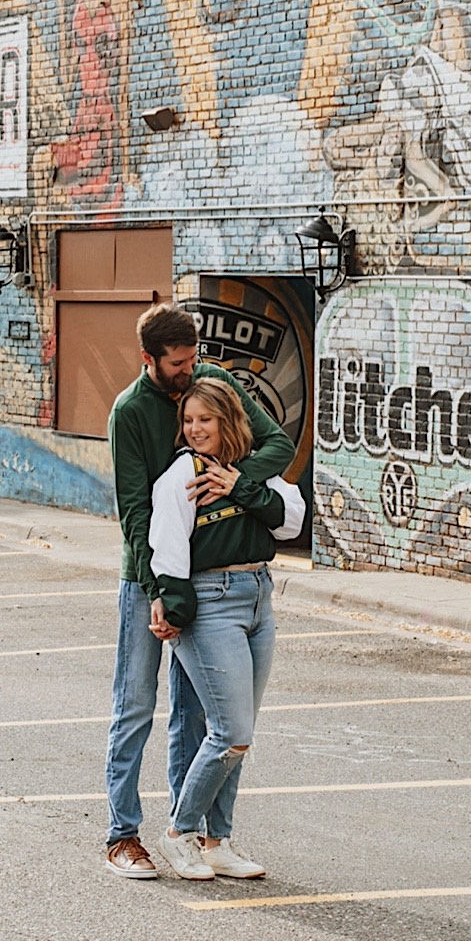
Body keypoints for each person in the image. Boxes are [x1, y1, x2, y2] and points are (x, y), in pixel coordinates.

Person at [104, 304, 294, 878]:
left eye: (194, 358)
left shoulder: (216, 382)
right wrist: (158, 589)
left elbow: (274, 447)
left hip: (211, 574)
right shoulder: (131, 410)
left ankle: (197, 837)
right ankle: (123, 835)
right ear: (151, 360)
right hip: (149, 572)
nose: (190, 370)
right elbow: (136, 509)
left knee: (195, 713)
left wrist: (236, 481)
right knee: (136, 705)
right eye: (179, 364)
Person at [149, 378, 304, 878]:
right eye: (189, 421)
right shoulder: (183, 475)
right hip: (210, 602)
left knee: (242, 734)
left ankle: (218, 841)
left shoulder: (252, 472)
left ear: (228, 422)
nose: (195, 429)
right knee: (230, 733)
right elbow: (167, 547)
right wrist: (171, 607)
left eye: (205, 420)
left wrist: (242, 486)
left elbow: (289, 521)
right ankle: (178, 832)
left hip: (259, 596)